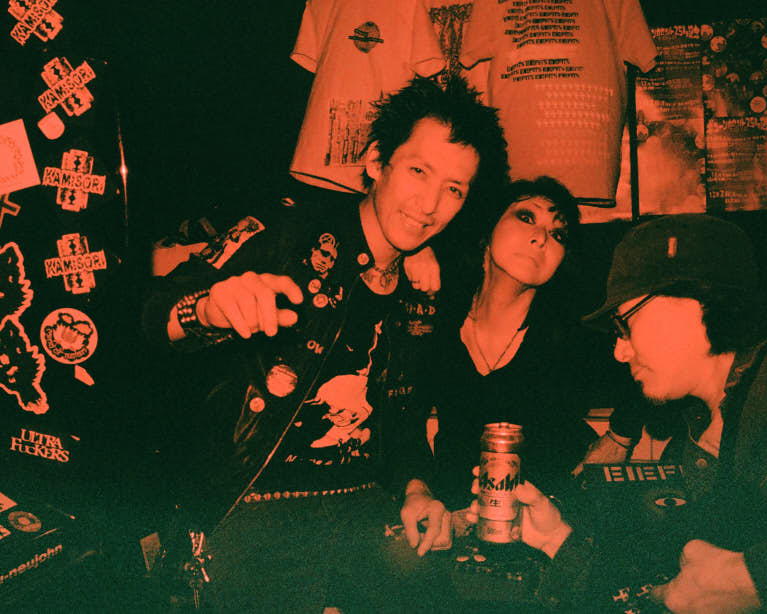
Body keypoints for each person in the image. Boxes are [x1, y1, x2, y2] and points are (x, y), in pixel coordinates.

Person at [141, 74, 508, 612]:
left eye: (454, 189)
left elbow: (403, 419)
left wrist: (416, 489)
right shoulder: (285, 231)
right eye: (418, 171)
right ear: (376, 160)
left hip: (361, 507)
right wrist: (206, 309)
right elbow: (150, 317)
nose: (430, 203)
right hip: (250, 501)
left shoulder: (426, 289)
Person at [466, 214, 767, 612]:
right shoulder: (698, 442)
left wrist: (755, 580)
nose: (620, 351)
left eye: (625, 323)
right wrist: (554, 538)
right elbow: (669, 581)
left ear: (696, 300)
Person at [397, 177, 599, 556]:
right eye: (527, 217)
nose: (542, 238)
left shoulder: (573, 330)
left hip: (549, 525)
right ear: (487, 231)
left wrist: (619, 438)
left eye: (558, 234)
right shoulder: (438, 315)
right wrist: (417, 489)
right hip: (454, 520)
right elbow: (404, 418)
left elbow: (654, 374)